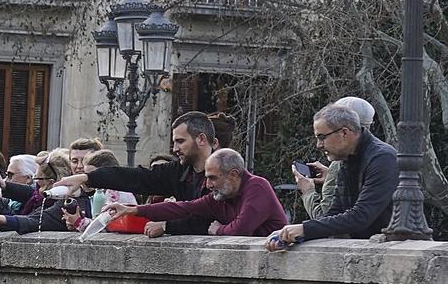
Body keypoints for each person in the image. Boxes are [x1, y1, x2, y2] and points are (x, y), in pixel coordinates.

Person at [268, 103, 398, 249]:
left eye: (322, 137)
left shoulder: (383, 158)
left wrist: (305, 229)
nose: (318, 145)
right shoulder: (347, 159)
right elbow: (336, 211)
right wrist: (294, 233)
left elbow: (361, 216)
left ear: (344, 133)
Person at [110, 148, 286, 238]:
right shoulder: (221, 196)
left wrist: (218, 230)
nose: (208, 184)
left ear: (233, 175)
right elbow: (183, 208)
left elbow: (240, 230)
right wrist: (132, 210)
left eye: (213, 178)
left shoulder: (257, 187)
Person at [79, 113, 215, 221]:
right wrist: (86, 177)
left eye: (180, 141)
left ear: (201, 139)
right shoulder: (178, 171)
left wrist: (166, 226)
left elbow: (202, 213)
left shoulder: (224, 173)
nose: (175, 149)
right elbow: (137, 177)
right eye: (174, 142)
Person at [296, 95, 375, 218]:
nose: (319, 145)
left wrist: (307, 191)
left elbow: (323, 217)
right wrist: (331, 177)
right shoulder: (374, 156)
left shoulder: (339, 164)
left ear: (344, 131)